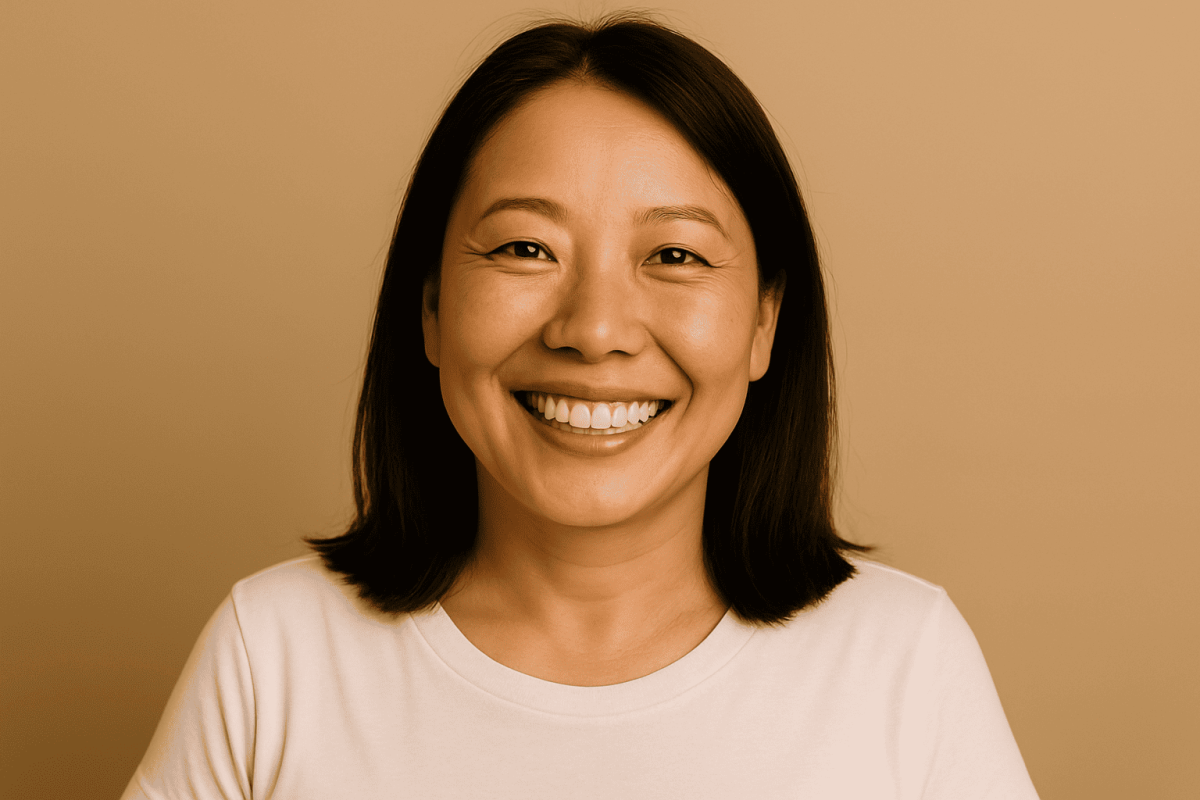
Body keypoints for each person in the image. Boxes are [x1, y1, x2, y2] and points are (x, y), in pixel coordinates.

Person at [122, 14, 1039, 799]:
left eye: (675, 256)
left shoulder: (902, 664)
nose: (595, 329)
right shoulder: (273, 658)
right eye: (525, 249)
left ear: (766, 323)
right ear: (431, 308)